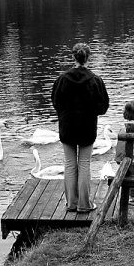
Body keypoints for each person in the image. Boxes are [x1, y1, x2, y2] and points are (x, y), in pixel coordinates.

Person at [51, 43, 109, 213]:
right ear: (88, 58)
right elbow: (103, 107)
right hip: (87, 127)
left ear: (73, 57)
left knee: (69, 164)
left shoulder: (62, 79)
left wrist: (65, 114)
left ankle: (71, 204)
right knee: (84, 164)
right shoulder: (95, 80)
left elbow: (56, 102)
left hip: (67, 127)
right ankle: (84, 204)